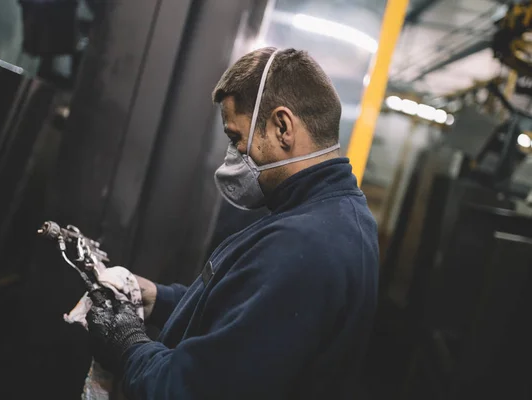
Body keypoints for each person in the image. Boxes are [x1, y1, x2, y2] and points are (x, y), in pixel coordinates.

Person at [86, 47, 379, 399]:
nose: (233, 155)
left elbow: (191, 391)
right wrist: (159, 299)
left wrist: (127, 343)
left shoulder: (303, 244)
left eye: (236, 138)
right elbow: (246, 315)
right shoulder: (334, 216)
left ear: (282, 127)